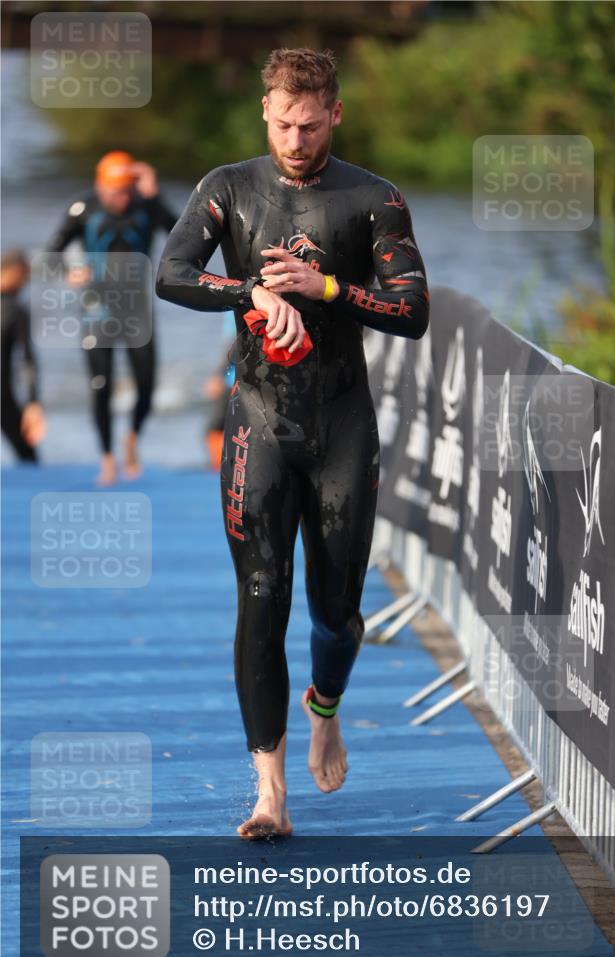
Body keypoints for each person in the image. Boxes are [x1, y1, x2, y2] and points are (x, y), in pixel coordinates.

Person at [156, 47, 429, 839]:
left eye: (310, 125)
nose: (296, 140)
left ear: (334, 115)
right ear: (264, 113)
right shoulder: (228, 188)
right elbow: (172, 274)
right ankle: (269, 794)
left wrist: (329, 290)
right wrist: (251, 291)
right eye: (282, 124)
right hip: (259, 418)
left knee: (335, 610)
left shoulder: (373, 199)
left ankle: (326, 709)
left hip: (342, 423)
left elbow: (412, 311)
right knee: (260, 597)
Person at [47, 151, 177, 485]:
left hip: (136, 310)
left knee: (147, 385)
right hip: (96, 309)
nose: (119, 199)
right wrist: (70, 272)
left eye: (124, 191)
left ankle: (132, 435)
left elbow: (184, 237)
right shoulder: (83, 208)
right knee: (100, 386)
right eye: (111, 191)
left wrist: (156, 193)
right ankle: (107, 458)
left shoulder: (148, 205)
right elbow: (52, 255)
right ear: (99, 186)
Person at [1, 250, 46, 462]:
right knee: (28, 457)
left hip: (4, 398)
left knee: (28, 454)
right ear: (14, 272)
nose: (25, 283)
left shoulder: (15, 310)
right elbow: (28, 360)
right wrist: (33, 402)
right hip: (3, 398)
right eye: (24, 276)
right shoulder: (15, 311)